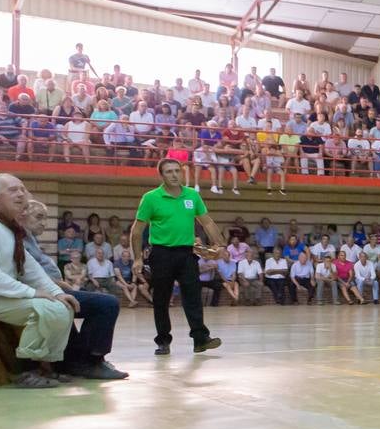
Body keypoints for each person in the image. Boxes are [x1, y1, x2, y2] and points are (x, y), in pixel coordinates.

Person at [0, 175, 79, 388]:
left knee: (62, 306)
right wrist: (32, 293)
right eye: (13, 190)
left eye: (22, 189)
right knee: (46, 309)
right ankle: (26, 370)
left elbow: (31, 269)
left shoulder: (8, 226)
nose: (21, 194)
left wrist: (57, 292)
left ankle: (46, 367)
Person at [128, 158, 227, 355]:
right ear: (161, 175)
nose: (174, 175)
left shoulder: (192, 195)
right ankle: (163, 340)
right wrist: (138, 258)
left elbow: (207, 222)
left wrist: (221, 245)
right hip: (161, 253)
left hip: (187, 253)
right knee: (161, 299)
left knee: (193, 296)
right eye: (169, 172)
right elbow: (137, 231)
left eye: (177, 171)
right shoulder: (151, 198)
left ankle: (200, 339)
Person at [22, 199, 129, 379]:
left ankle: (78, 360)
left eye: (45, 218)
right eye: (38, 217)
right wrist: (58, 284)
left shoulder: (29, 238)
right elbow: (27, 273)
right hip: (43, 291)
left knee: (95, 303)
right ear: (22, 216)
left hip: (54, 288)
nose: (44, 223)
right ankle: (91, 361)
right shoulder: (18, 239)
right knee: (107, 303)